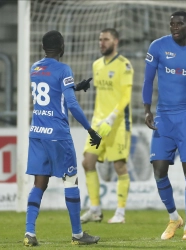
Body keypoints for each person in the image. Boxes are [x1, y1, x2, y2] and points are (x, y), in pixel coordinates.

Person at [24, 30, 102, 247]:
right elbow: (72, 104)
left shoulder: (35, 68)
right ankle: (77, 235)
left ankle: (29, 233)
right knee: (71, 180)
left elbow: (51, 91)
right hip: (58, 135)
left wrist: (75, 87)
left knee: (39, 182)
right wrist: (90, 129)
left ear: (43, 48)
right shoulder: (63, 68)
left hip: (37, 133)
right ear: (62, 48)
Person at [142, 11, 186, 240]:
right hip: (163, 117)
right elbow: (148, 80)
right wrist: (147, 110)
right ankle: (174, 217)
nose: (174, 27)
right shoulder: (157, 46)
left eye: (179, 24)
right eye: (172, 24)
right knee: (158, 169)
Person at [80, 28, 133, 224]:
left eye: (106, 39)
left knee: (119, 166)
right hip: (98, 125)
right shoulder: (96, 65)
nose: (101, 42)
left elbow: (126, 97)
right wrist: (100, 120)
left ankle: (120, 212)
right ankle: (95, 209)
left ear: (116, 42)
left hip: (117, 124)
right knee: (88, 162)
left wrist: (111, 118)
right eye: (100, 39)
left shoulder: (124, 65)